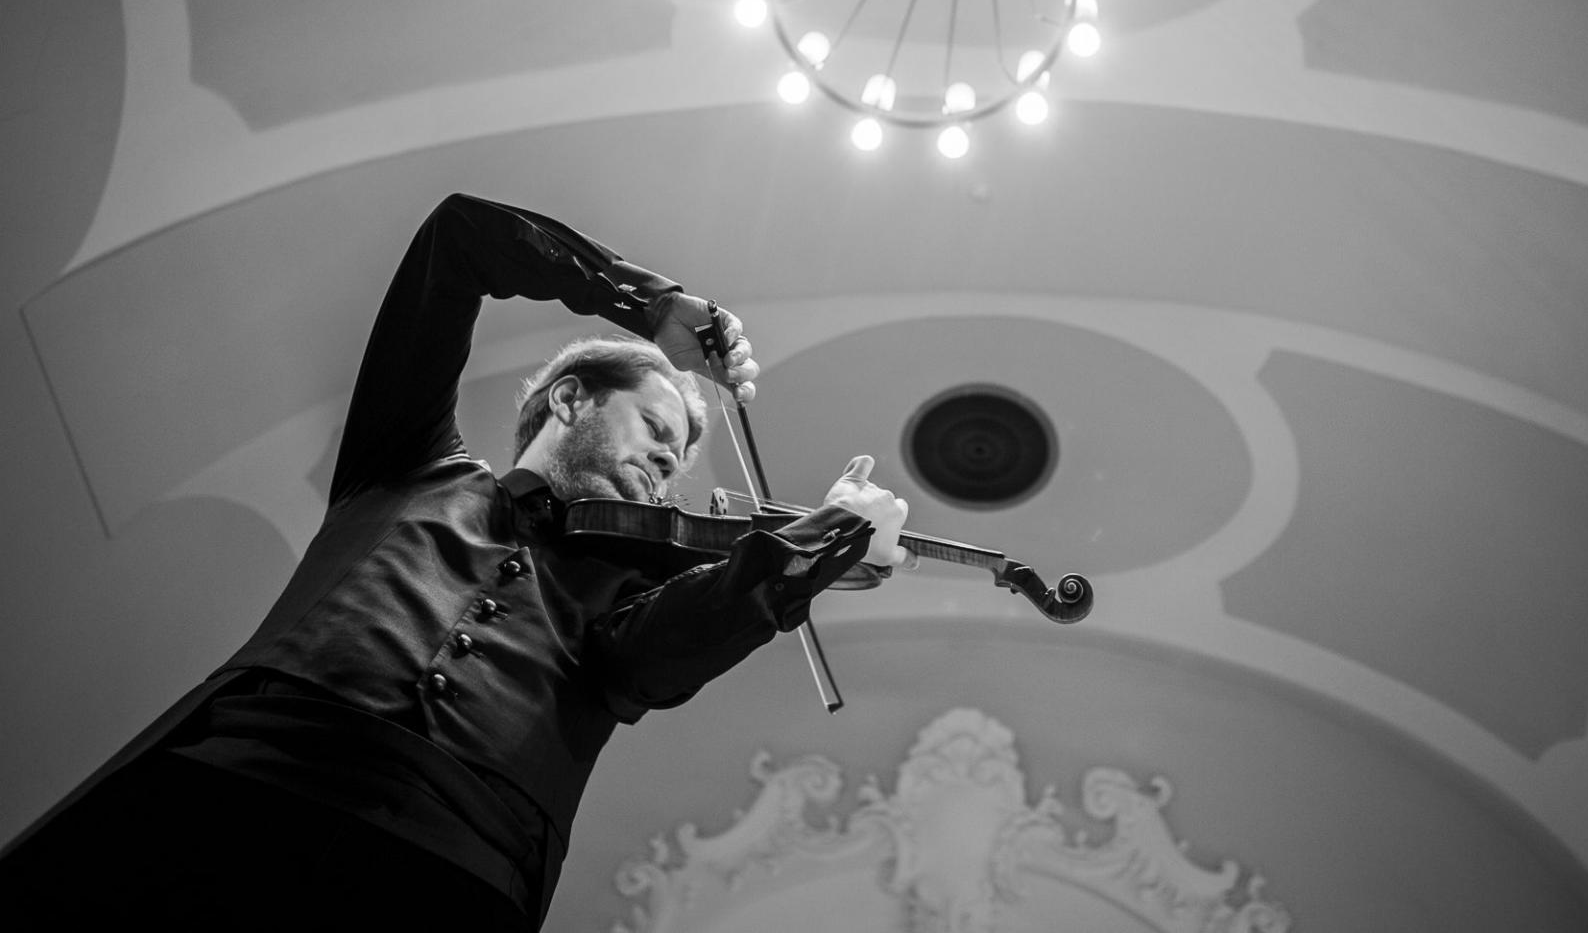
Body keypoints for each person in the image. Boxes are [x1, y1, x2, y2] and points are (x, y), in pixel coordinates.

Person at [0, 193, 909, 930]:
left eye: (674, 464)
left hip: (461, 866)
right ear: (570, 399)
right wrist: (648, 306)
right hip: (240, 780)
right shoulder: (407, 462)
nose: (664, 470)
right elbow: (460, 238)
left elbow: (670, 652)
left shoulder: (627, 590)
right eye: (654, 431)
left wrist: (829, 537)